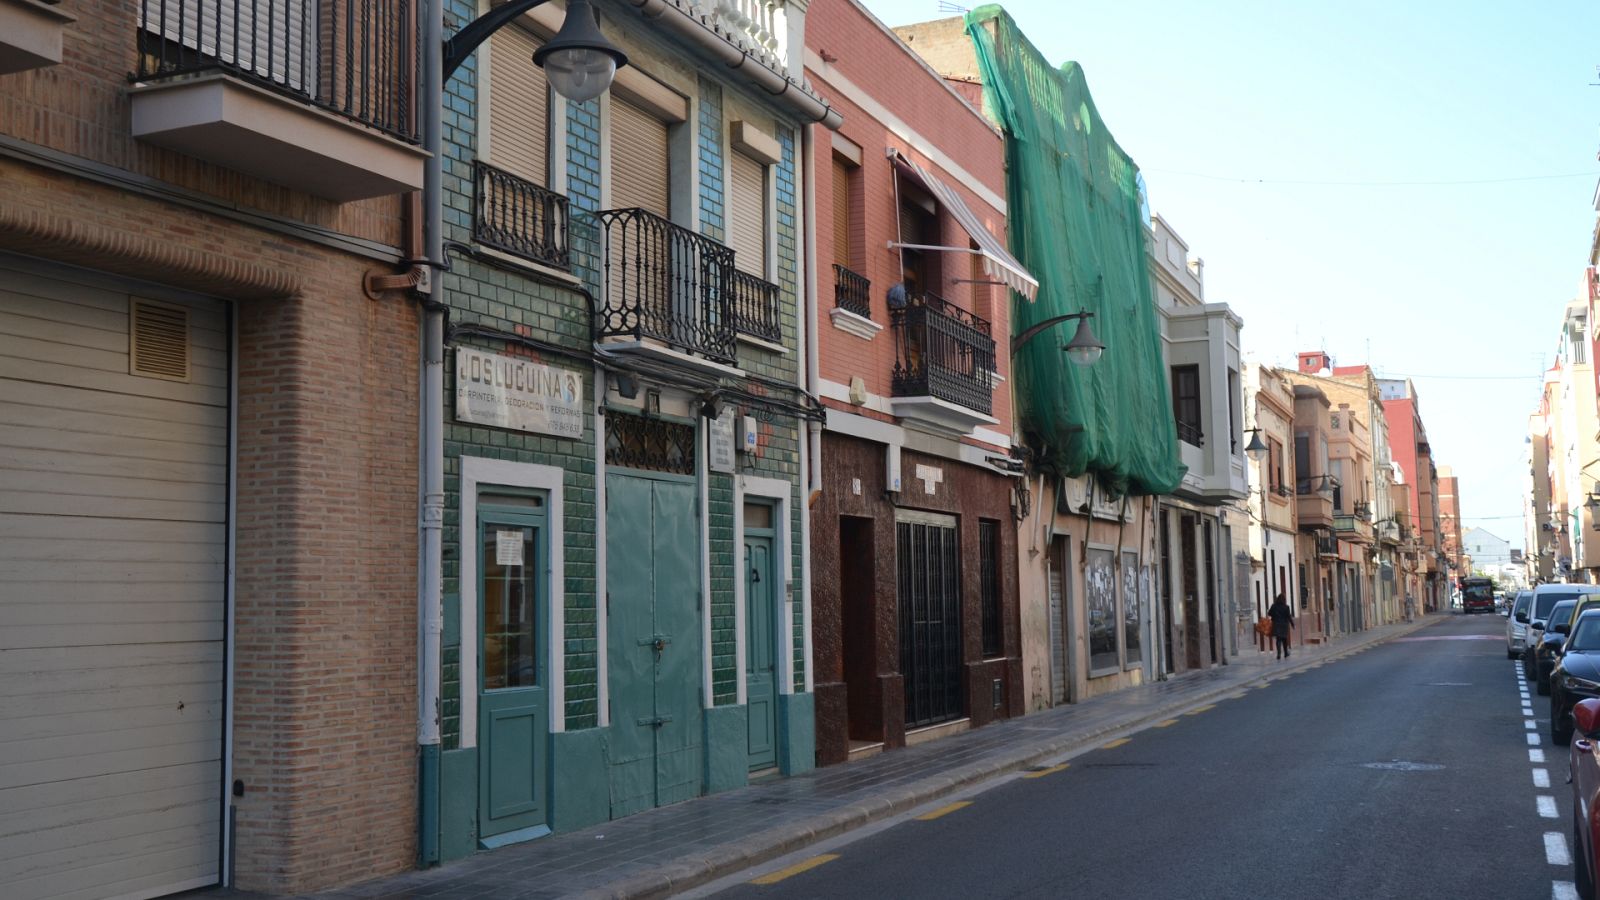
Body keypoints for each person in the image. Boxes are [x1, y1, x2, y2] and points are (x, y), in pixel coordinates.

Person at [1268, 591, 1295, 660]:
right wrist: (1292, 624)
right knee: (1284, 639)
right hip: (1284, 625)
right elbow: (1289, 616)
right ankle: (1286, 653)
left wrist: (1274, 616)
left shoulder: (1274, 606)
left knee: (1278, 639)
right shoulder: (1286, 607)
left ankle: (1279, 654)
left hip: (1276, 624)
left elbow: (1269, 613)